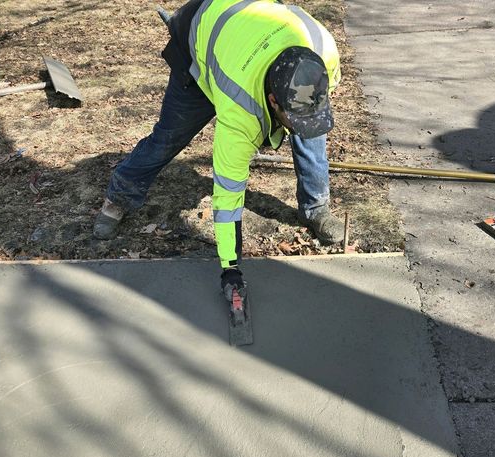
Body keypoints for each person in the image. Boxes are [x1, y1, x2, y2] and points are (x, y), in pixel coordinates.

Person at [93, 0, 342, 300]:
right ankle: (119, 196)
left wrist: (301, 118)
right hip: (200, 40)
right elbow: (227, 193)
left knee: (306, 126)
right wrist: (231, 267)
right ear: (273, 101)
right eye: (285, 112)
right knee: (168, 138)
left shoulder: (323, 50)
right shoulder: (240, 111)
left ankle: (316, 207)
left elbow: (307, 111)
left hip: (248, 30)